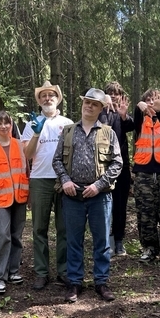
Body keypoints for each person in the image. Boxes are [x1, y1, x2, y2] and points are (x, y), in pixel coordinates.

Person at [53, 88, 122, 303]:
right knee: (74, 241)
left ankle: (101, 282)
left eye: (94, 104)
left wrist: (99, 185)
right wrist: (65, 180)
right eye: (86, 102)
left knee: (101, 241)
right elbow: (56, 161)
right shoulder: (67, 131)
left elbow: (117, 163)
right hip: (73, 195)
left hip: (99, 196)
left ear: (101, 108)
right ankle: (75, 282)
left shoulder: (108, 133)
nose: (89, 106)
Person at [22, 81, 73, 290]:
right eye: (43, 96)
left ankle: (64, 271)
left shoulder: (68, 123)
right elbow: (27, 154)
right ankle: (41, 272)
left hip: (63, 179)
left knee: (64, 228)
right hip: (39, 179)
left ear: (57, 98)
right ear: (39, 100)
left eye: (51, 95)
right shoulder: (32, 123)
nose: (47, 98)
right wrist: (36, 133)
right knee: (39, 228)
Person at [0, 111, 29, 294]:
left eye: (6, 123)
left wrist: (29, 196)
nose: (3, 126)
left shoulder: (19, 145)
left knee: (17, 235)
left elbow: (27, 171)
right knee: (3, 235)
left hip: (19, 196)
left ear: (11, 125)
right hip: (1, 198)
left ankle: (13, 271)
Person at [132, 88, 160, 266]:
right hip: (144, 173)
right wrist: (141, 105)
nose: (151, 101)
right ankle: (149, 247)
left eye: (155, 98)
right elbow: (137, 109)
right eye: (148, 99)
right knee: (145, 213)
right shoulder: (140, 118)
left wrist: (158, 110)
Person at [99, 82, 135, 256]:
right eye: (110, 93)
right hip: (102, 167)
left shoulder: (122, 115)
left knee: (120, 205)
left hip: (122, 166)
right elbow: (101, 130)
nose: (113, 96)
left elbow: (131, 126)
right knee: (104, 205)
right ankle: (105, 240)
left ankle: (119, 241)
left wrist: (122, 116)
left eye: (116, 94)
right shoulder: (100, 112)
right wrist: (106, 109)